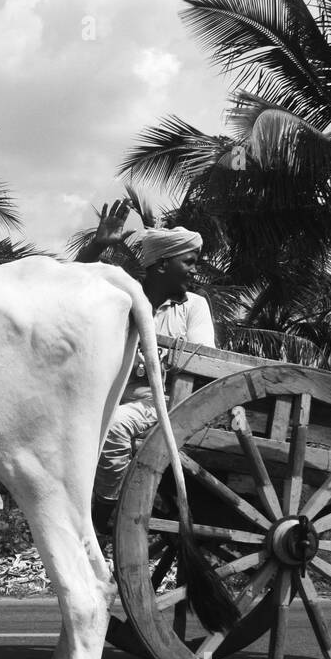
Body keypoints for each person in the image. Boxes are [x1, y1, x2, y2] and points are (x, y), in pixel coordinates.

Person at [76, 200, 216, 538]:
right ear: (164, 264)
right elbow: (74, 283)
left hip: (166, 405)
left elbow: (202, 363)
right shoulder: (123, 300)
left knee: (114, 427)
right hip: (114, 398)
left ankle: (103, 519)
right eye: (189, 263)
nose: (195, 271)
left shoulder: (193, 307)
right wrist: (98, 246)